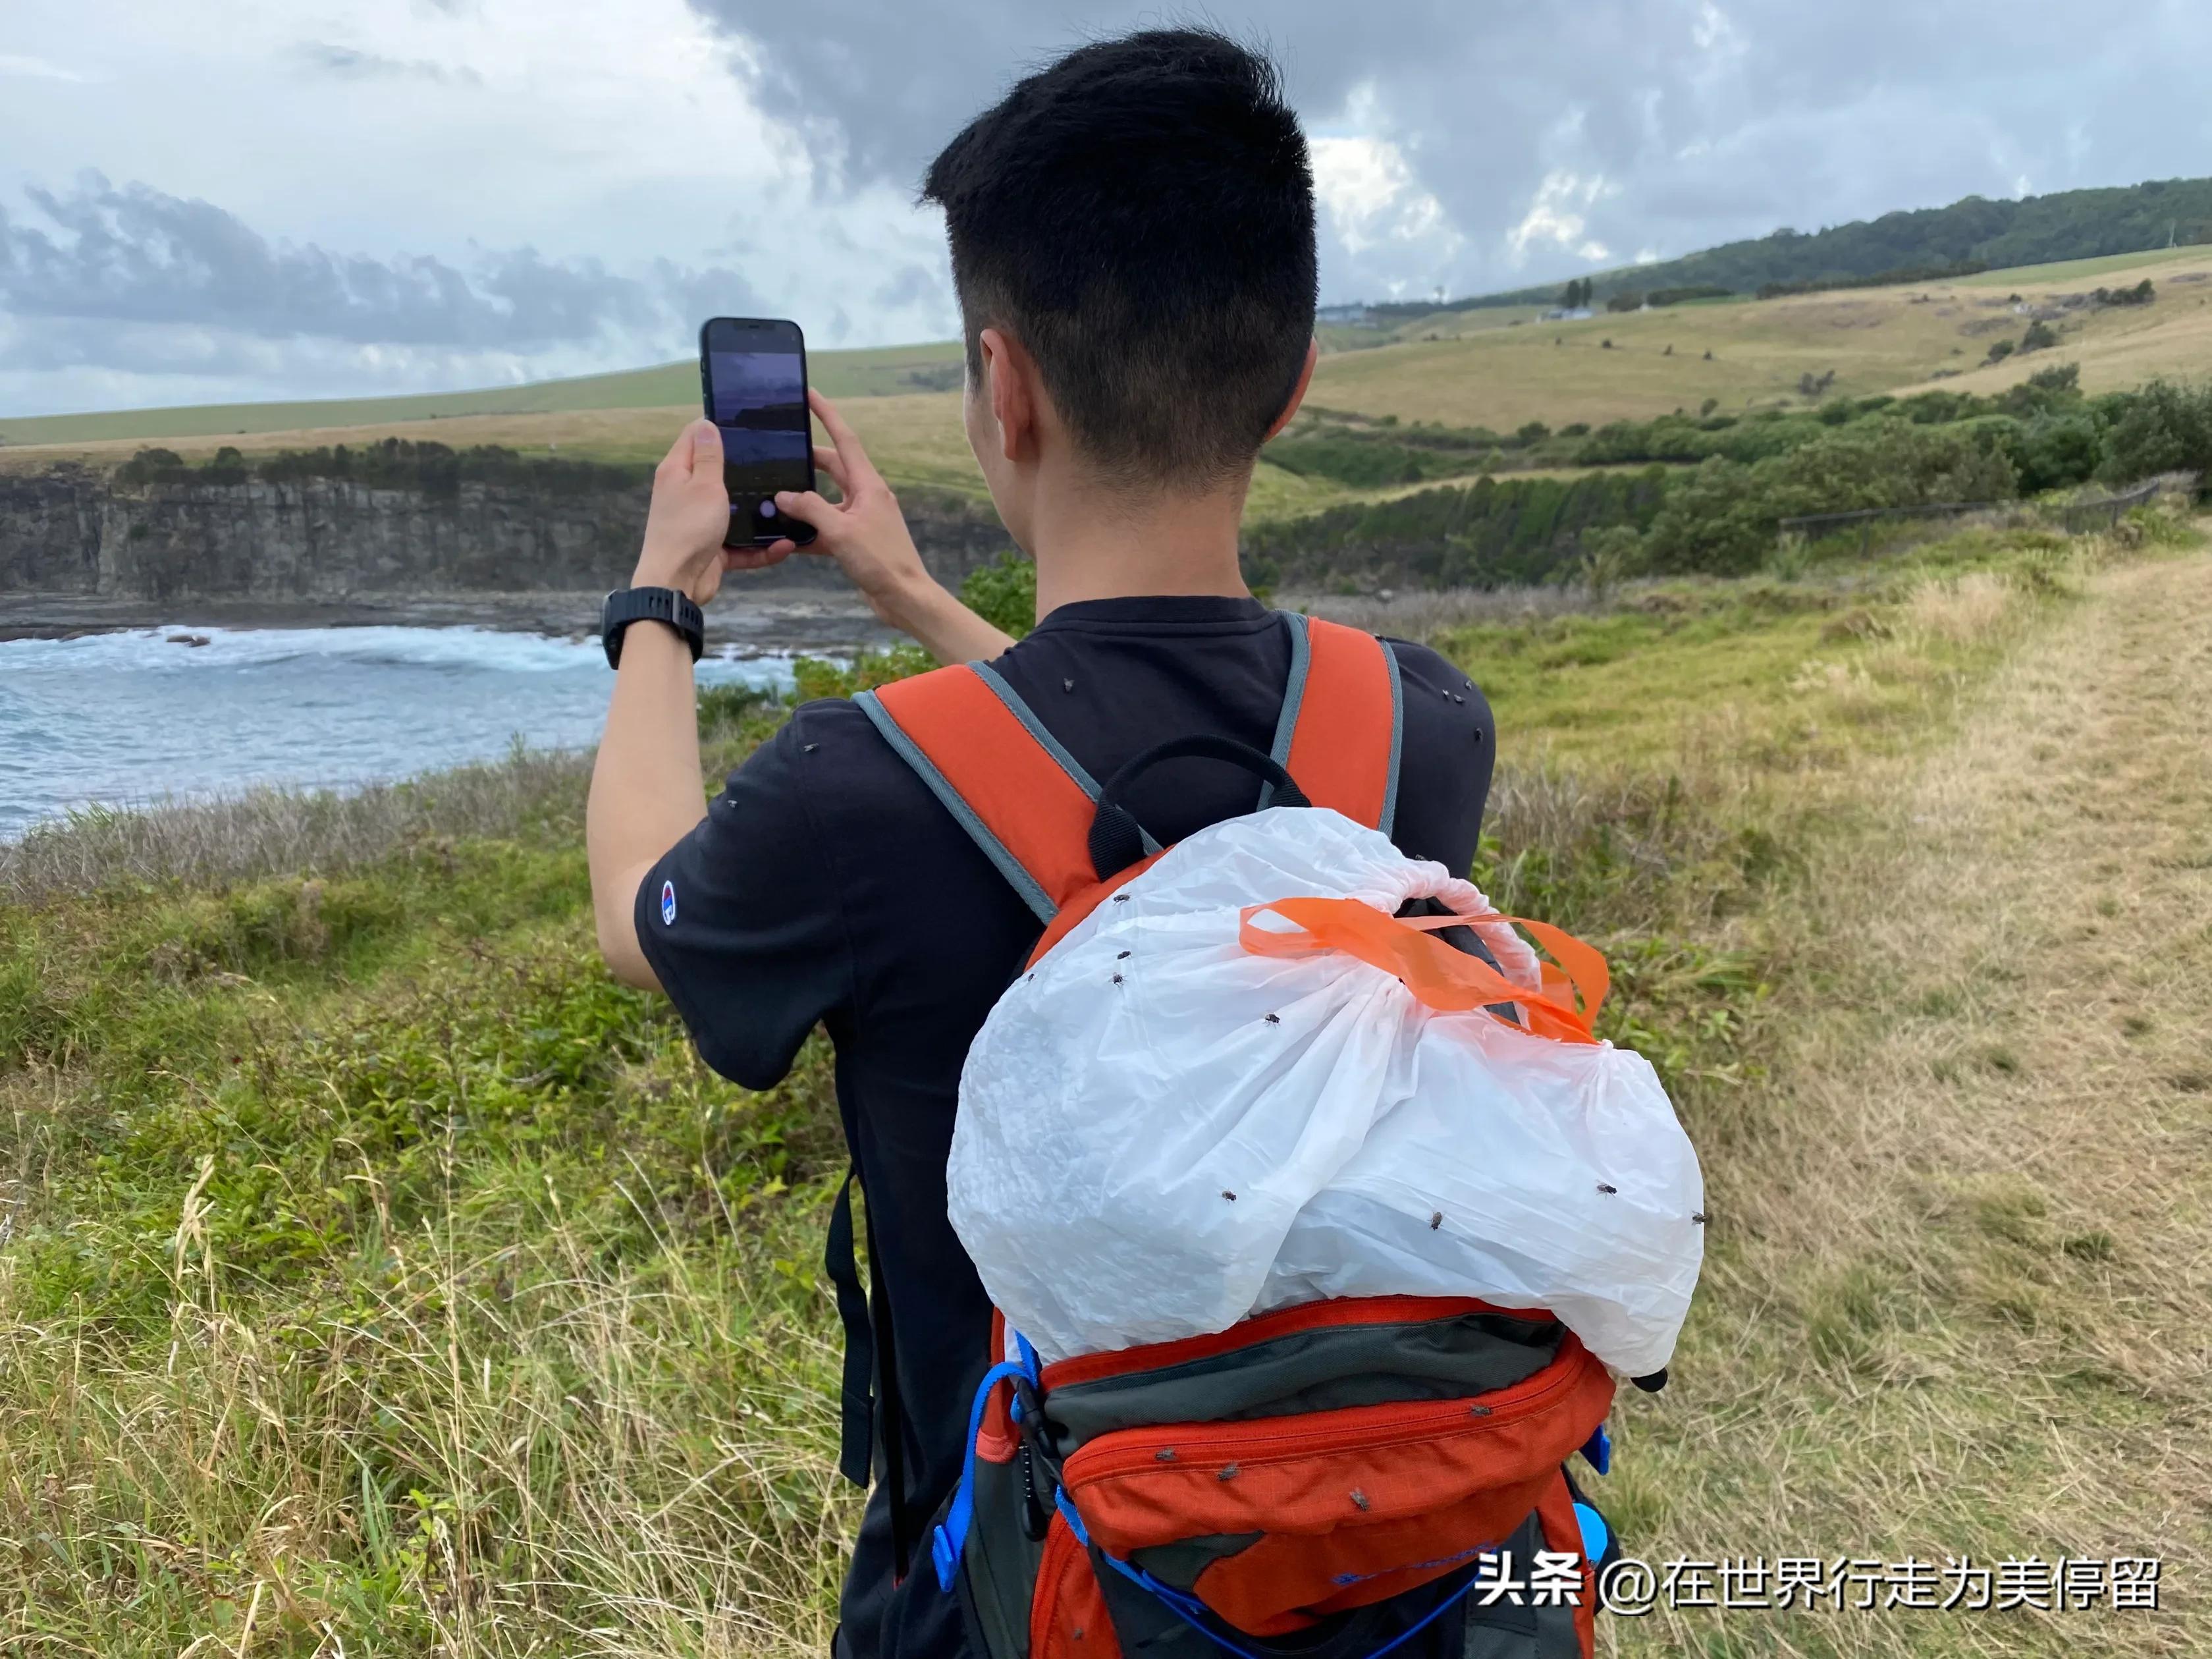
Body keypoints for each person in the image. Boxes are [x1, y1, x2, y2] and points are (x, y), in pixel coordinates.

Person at [585, 30, 1497, 1659]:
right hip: (1363, 1557)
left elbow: (638, 912)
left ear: (1003, 391)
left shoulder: (847, 794)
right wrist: (917, 595)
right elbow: (1179, 813)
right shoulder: (1417, 728)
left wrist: (664, 600)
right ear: (1290, 389)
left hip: (1012, 1589)